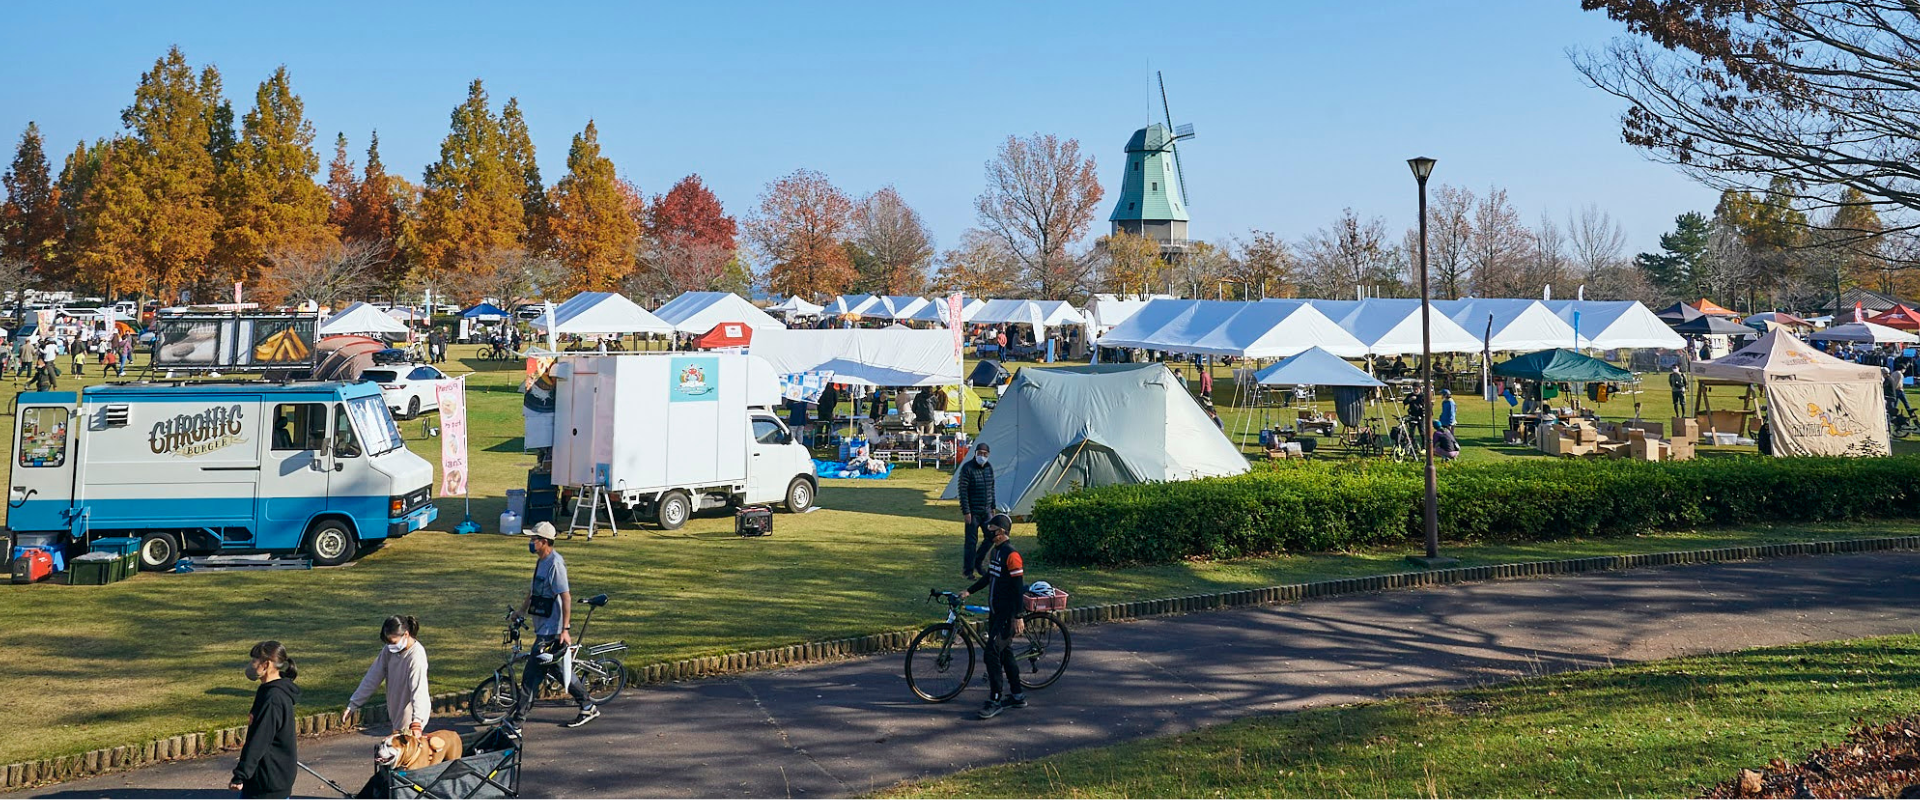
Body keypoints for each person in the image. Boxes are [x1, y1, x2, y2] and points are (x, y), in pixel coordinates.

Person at [514, 522, 597, 728]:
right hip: (543, 627)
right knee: (559, 670)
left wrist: (565, 629)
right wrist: (520, 611)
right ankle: (587, 706)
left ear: (544, 542)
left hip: (551, 631)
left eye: (533, 539)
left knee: (530, 677)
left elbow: (566, 597)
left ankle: (516, 723)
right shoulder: (541, 561)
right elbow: (533, 592)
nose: (530, 542)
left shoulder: (555, 564)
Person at [960, 513, 1026, 719]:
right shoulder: (996, 552)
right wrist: (969, 591)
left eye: (992, 530)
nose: (988, 533)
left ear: (1001, 532)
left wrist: (1018, 616)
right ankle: (1017, 695)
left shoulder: (1012, 555)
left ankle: (995, 699)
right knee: (1005, 653)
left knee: (991, 653)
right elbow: (990, 576)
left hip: (1007, 614)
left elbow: (1018, 589)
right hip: (995, 613)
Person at [230, 641, 300, 798]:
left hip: (267, 783)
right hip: (270, 778)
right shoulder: (272, 691)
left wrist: (241, 774)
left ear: (266, 664)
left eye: (254, 660)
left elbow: (259, 740)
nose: (251, 665)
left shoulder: (273, 698)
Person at [344, 615, 432, 736]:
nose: (390, 646)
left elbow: (418, 689)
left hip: (412, 717)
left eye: (393, 642)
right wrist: (353, 704)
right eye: (388, 642)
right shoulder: (389, 651)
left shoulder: (416, 656)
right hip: (396, 714)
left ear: (406, 634)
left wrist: (417, 721)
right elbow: (372, 677)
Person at [955, 442, 996, 580]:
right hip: (972, 512)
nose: (982, 456)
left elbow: (992, 488)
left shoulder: (989, 468)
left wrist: (993, 506)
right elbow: (963, 491)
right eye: (980, 453)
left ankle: (978, 562)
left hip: (987, 510)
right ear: (975, 453)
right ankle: (968, 571)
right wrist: (966, 511)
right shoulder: (967, 468)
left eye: (985, 454)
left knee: (991, 537)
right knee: (971, 542)